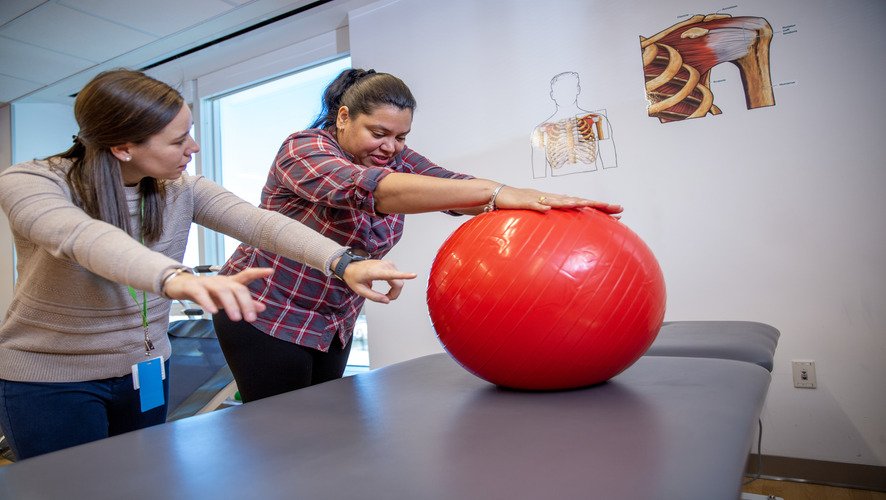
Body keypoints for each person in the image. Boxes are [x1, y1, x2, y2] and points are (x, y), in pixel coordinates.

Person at [0, 69, 414, 460]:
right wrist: (175, 279)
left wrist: (344, 263)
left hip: (144, 369)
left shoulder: (182, 190)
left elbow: (263, 225)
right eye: (179, 140)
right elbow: (83, 238)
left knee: (139, 486)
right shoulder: (34, 182)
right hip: (50, 379)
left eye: (192, 134)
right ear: (123, 147)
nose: (193, 148)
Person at [212, 68, 624, 402]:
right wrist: (496, 193)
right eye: (379, 133)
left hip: (332, 320)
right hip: (264, 311)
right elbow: (372, 188)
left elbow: (451, 187)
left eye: (401, 136)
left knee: (326, 426)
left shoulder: (397, 156)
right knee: (282, 434)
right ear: (342, 118)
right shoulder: (303, 149)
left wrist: (534, 201)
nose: (392, 147)